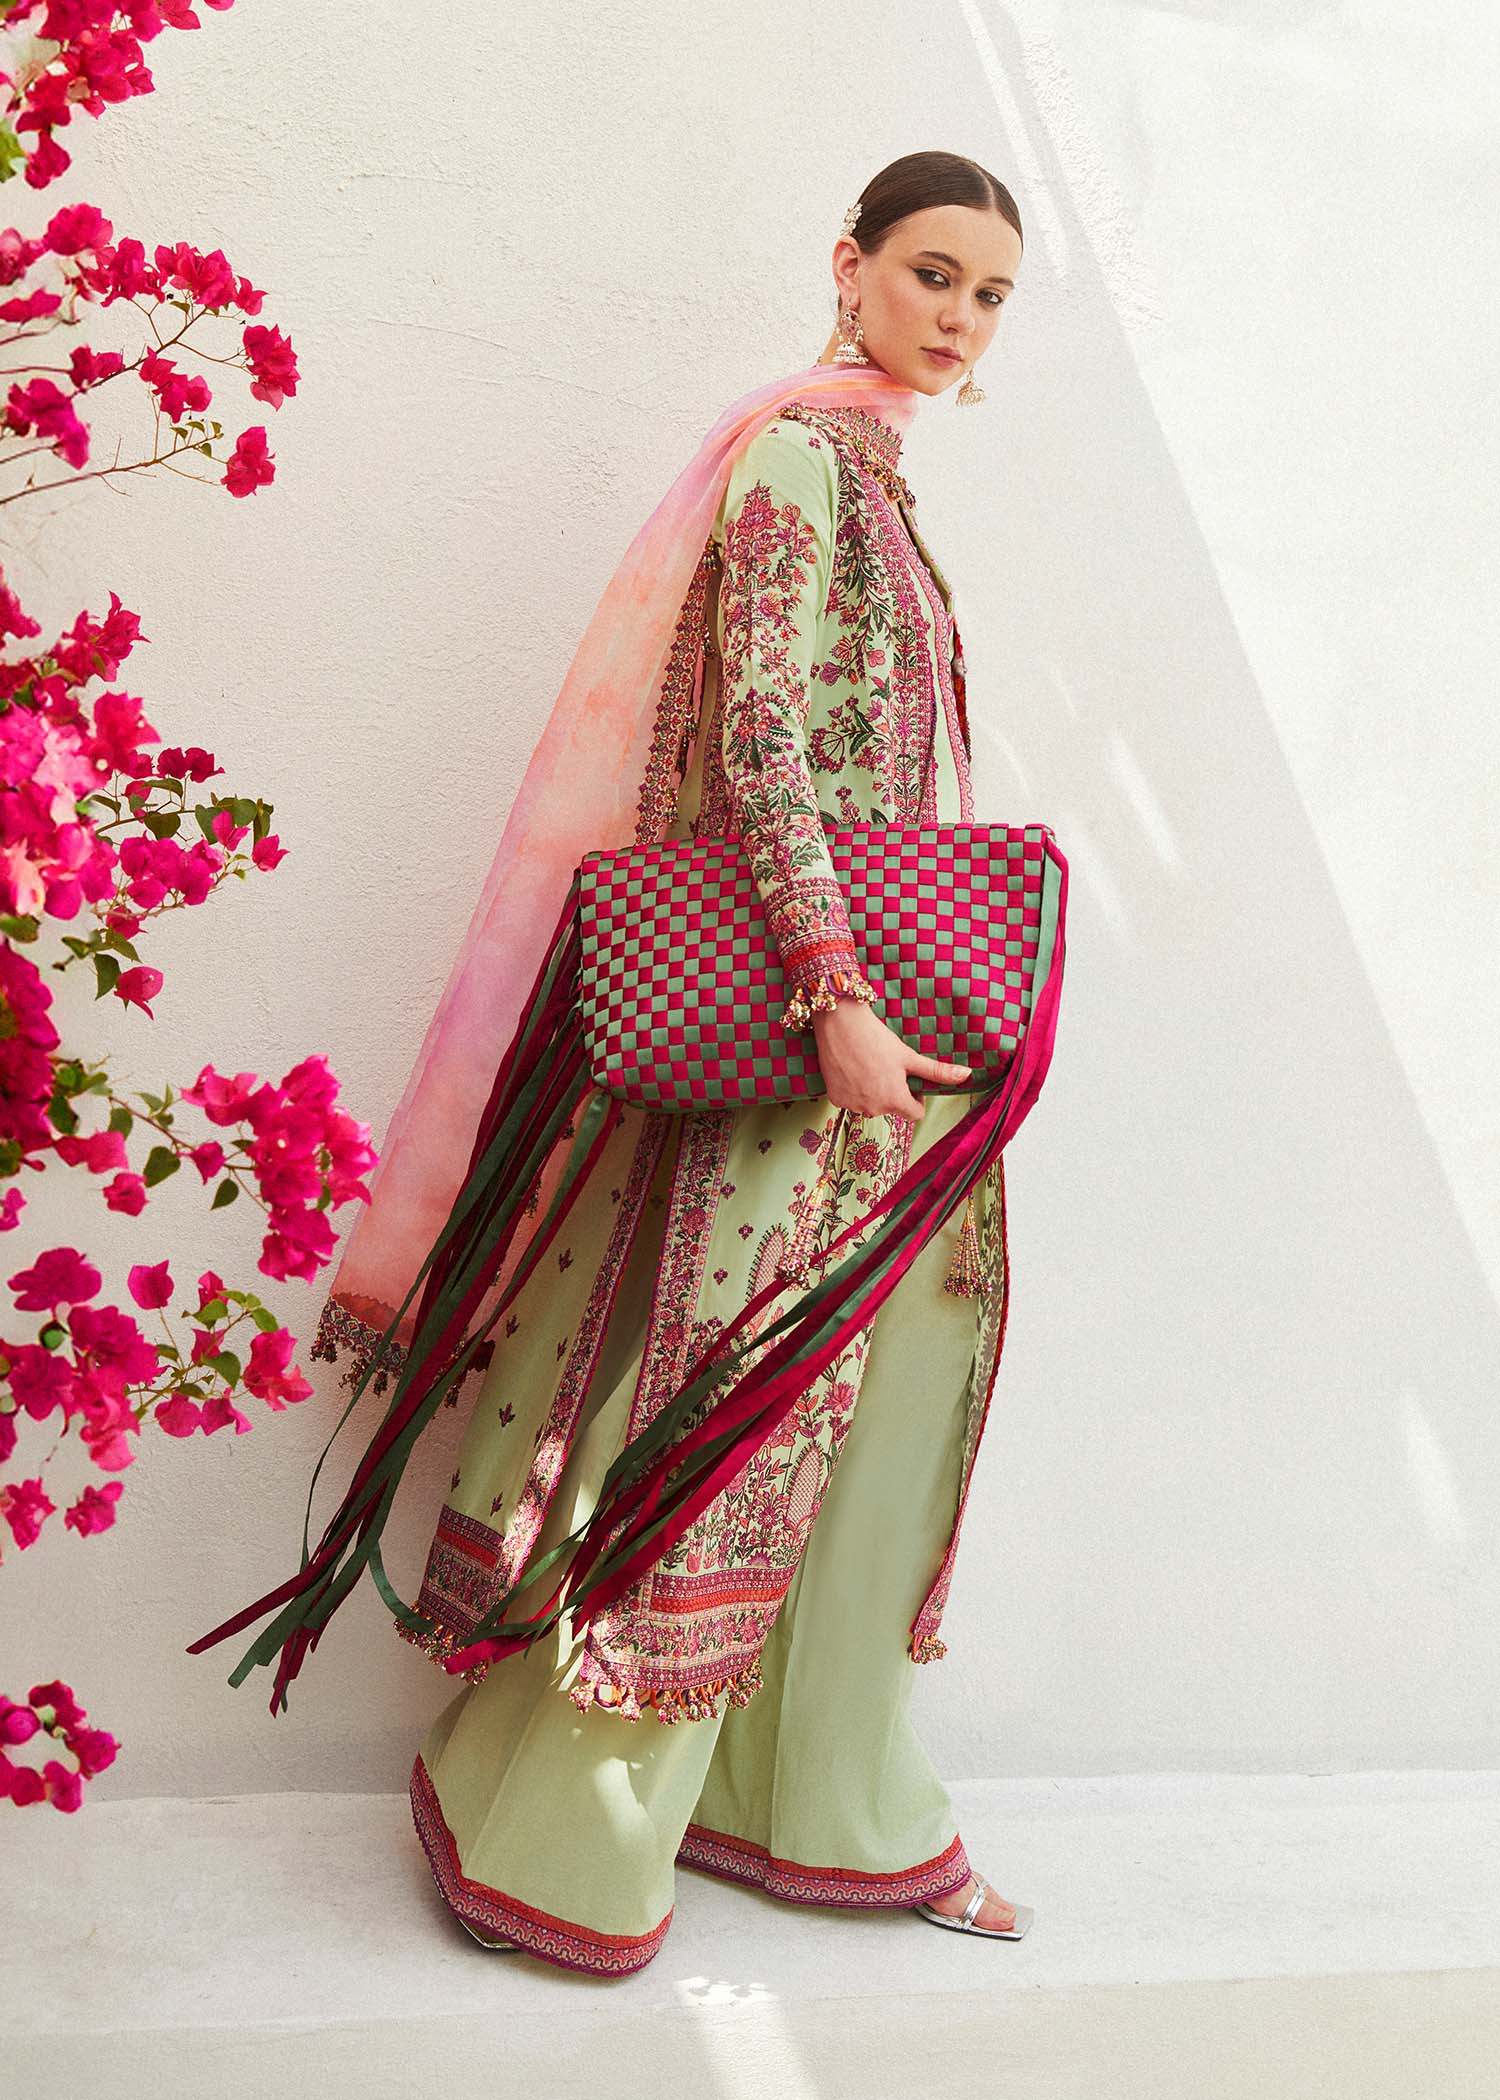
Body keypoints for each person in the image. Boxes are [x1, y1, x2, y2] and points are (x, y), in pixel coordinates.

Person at [345, 151, 1033, 1975]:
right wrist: (836, 996)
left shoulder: (879, 473)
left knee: (874, 1415)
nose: (960, 318)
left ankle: (812, 1806)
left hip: (883, 1050)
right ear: (851, 264)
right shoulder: (797, 454)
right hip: (810, 1046)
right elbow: (762, 742)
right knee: (722, 1430)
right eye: (933, 274)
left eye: (989, 295)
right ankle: (562, 1846)